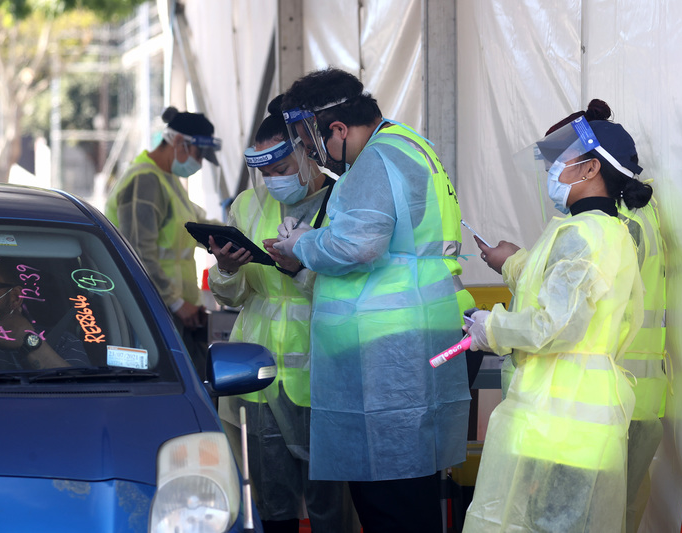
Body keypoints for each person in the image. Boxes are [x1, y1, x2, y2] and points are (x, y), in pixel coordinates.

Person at [273, 68, 473, 532]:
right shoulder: (408, 144)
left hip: (390, 348)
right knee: (409, 488)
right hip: (417, 329)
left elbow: (359, 245)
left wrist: (300, 244)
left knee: (390, 498)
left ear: (337, 130)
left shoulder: (375, 161)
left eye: (309, 141)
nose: (309, 152)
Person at [463, 115, 651, 532]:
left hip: (562, 421)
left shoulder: (582, 234)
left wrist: (490, 328)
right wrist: (513, 263)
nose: (551, 171)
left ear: (590, 168)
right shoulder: (606, 231)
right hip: (576, 422)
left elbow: (554, 324)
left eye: (559, 160)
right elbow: (563, 294)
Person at [207, 95, 356, 533]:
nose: (273, 182)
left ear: (307, 155)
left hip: (322, 369)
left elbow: (349, 281)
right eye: (265, 174)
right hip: (257, 374)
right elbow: (233, 296)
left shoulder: (342, 203)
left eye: (281, 170)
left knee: (330, 500)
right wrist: (228, 268)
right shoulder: (246, 207)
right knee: (272, 499)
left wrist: (300, 269)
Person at [105, 106, 222, 379]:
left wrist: (240, 236)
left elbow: (199, 227)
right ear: (180, 142)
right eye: (199, 154)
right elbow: (138, 252)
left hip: (172, 312)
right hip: (151, 312)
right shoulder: (144, 181)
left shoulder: (167, 180)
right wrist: (176, 302)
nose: (200, 162)